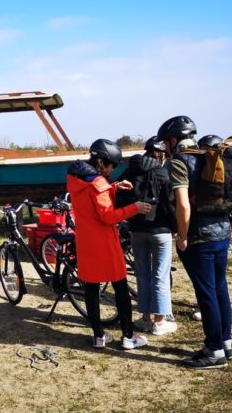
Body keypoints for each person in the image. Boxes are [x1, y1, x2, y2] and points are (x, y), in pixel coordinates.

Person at [157, 116, 232, 369]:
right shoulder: (207, 156)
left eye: (165, 144)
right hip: (222, 233)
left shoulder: (179, 162)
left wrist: (182, 236)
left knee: (206, 293)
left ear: (172, 140)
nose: (164, 149)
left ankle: (213, 351)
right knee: (220, 288)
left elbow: (183, 205)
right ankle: (225, 342)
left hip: (199, 238)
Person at [67, 139, 152, 349]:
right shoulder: (99, 184)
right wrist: (136, 207)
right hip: (105, 243)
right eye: (112, 165)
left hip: (86, 242)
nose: (113, 169)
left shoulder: (76, 178)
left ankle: (98, 337)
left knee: (91, 289)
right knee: (121, 287)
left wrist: (113, 187)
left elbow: (91, 199)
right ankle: (128, 337)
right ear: (101, 162)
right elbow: (108, 216)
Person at [117, 136, 178, 336]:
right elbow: (169, 205)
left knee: (142, 274)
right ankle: (160, 322)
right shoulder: (162, 173)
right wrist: (176, 227)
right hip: (160, 231)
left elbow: (118, 194)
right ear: (160, 153)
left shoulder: (130, 170)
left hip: (136, 229)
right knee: (160, 274)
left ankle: (144, 319)